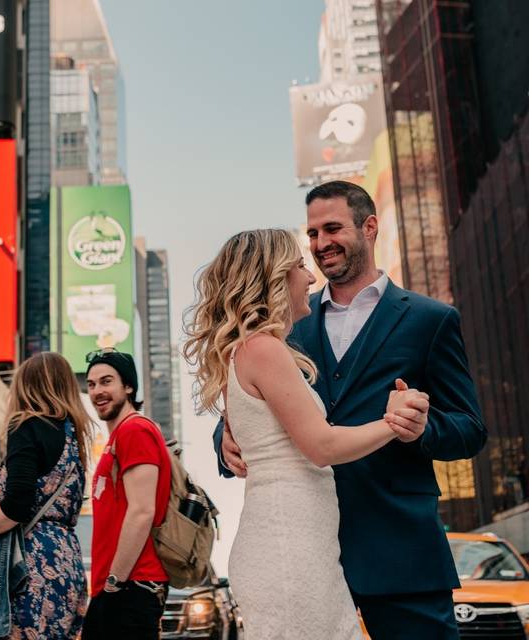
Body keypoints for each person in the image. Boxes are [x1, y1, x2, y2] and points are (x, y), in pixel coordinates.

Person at [206, 184, 485, 639]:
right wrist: (225, 437)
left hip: (397, 550)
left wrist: (420, 428)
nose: (320, 244)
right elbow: (257, 404)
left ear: (369, 227)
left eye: (332, 228)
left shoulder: (430, 320)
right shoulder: (286, 323)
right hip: (302, 548)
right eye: (312, 233)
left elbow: (470, 429)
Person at [0, 352, 93, 639]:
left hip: (29, 561)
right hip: (66, 557)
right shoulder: (72, 438)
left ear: (26, 386)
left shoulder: (24, 425)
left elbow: (17, 504)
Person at [80, 350, 171, 640]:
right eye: (91, 385)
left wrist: (113, 583)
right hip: (122, 587)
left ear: (128, 387)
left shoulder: (135, 430)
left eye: (106, 382)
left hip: (131, 585)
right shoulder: (118, 438)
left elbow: (142, 511)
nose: (97, 391)